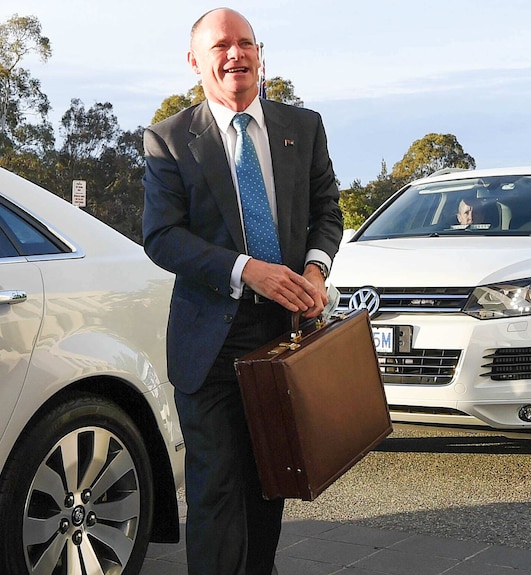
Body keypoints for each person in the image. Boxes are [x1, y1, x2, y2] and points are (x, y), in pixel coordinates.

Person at [141, 7, 343, 575]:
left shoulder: (303, 127)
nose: (236, 55)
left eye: (246, 43)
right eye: (221, 46)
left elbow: (328, 209)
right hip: (210, 342)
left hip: (284, 336)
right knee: (216, 487)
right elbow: (161, 236)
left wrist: (315, 270)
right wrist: (245, 269)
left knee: (269, 482)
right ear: (195, 61)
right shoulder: (169, 140)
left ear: (260, 52)